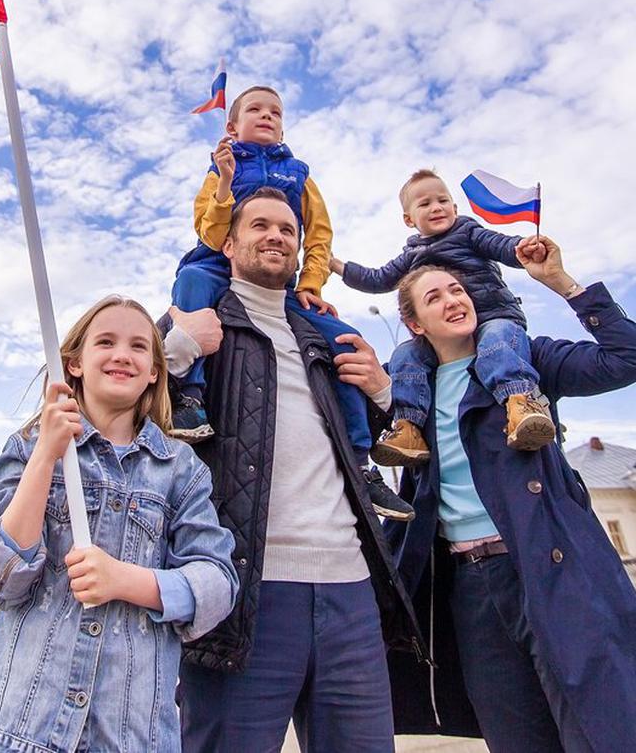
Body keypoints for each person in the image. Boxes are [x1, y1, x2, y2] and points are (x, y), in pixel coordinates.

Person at [163, 187, 425, 753]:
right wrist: (180, 345)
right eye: (259, 225)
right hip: (241, 591)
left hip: (351, 589)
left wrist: (382, 390)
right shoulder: (196, 319)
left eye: (287, 228)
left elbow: (391, 439)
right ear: (228, 243)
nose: (276, 235)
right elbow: (127, 405)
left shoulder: (322, 333)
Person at [0, 296, 238, 753]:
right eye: (106, 342)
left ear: (155, 371)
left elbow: (217, 586)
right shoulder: (25, 449)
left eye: (140, 346)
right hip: (18, 730)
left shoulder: (182, 468)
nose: (123, 354)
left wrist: (126, 580)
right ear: (74, 364)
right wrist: (46, 454)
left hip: (130, 737)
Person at [377, 241, 636, 752]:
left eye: (457, 289)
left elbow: (626, 358)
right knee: (515, 736)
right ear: (415, 324)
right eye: (435, 297)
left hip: (549, 567)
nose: (454, 299)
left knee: (600, 727)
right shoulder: (409, 394)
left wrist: (562, 283)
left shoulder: (524, 360)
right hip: (469, 590)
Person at [171, 85, 409, 519]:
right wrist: (225, 183)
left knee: (346, 340)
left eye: (276, 112)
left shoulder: (299, 175)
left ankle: (361, 462)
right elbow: (209, 233)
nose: (267, 116)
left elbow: (318, 236)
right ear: (231, 125)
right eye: (256, 110)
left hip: (281, 281)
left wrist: (312, 285)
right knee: (189, 284)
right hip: (215, 263)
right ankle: (189, 397)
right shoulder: (220, 167)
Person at [331, 168, 555, 466]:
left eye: (443, 200)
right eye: (424, 204)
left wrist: (522, 248)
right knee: (405, 355)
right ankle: (408, 427)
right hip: (443, 335)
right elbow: (378, 279)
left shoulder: (468, 232)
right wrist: (336, 265)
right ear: (409, 220)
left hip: (492, 316)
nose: (436, 207)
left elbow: (500, 245)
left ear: (455, 207)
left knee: (497, 345)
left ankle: (521, 404)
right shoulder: (412, 254)